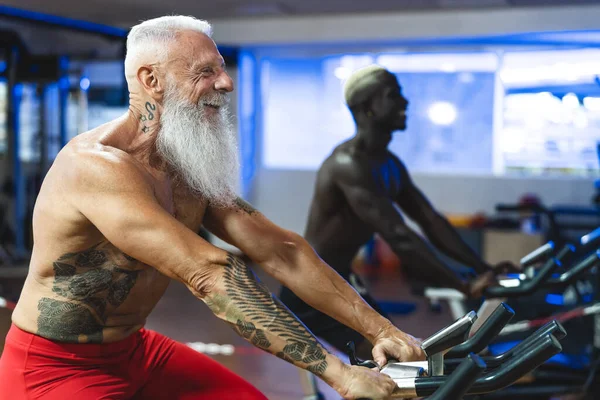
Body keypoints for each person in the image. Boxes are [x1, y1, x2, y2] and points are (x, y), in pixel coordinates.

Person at [0, 17, 425, 400]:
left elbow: (283, 251)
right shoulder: (95, 167)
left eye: (222, 69)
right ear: (151, 79)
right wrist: (341, 375)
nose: (227, 83)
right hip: (54, 368)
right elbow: (209, 271)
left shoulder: (182, 168)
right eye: (206, 71)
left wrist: (382, 330)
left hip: (135, 349)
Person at [279, 65, 517, 359]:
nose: (405, 103)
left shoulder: (388, 164)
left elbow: (429, 219)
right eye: (394, 95)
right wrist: (463, 284)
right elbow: (399, 236)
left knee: (395, 352)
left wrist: (483, 268)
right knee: (391, 358)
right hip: (309, 286)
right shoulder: (347, 164)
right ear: (368, 107)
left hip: (338, 277)